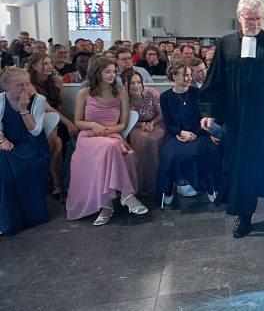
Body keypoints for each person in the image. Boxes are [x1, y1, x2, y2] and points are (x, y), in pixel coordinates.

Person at [199, 0, 264, 239]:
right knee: (241, 168)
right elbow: (215, 80)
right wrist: (208, 111)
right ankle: (244, 217)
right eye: (249, 19)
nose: (254, 23)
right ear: (239, 18)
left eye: (258, 19)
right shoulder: (226, 44)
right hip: (236, 120)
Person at [66, 56, 147, 225]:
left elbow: (122, 124)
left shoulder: (121, 93)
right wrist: (93, 125)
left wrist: (105, 131)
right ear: (97, 73)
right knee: (111, 147)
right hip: (88, 137)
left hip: (112, 134)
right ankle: (126, 195)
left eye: (114, 72)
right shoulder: (84, 93)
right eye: (107, 72)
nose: (112, 75)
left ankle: (107, 205)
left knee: (111, 145)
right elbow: (78, 122)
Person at [157, 61, 221, 205]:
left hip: (199, 133)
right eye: (185, 75)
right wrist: (182, 133)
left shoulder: (196, 93)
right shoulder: (165, 97)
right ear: (174, 76)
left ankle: (210, 188)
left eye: (190, 74)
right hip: (177, 135)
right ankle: (169, 189)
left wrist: (194, 134)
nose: (189, 78)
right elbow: (168, 123)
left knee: (207, 150)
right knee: (170, 155)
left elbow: (203, 117)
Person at [0, 68, 51, 236]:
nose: (24, 88)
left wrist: (23, 110)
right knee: (4, 156)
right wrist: (2, 141)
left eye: (26, 84)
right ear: (7, 86)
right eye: (19, 85)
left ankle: (18, 219)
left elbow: (35, 131)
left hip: (32, 145)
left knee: (6, 159)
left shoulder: (38, 100)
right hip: (8, 142)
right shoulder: (1, 100)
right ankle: (9, 217)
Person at [27, 53, 77, 200]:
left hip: (54, 120)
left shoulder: (54, 81)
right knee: (56, 141)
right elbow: (47, 108)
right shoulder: (29, 83)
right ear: (34, 66)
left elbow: (57, 106)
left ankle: (66, 179)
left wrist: (66, 123)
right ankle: (56, 183)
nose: (50, 66)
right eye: (45, 63)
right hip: (36, 121)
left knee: (68, 137)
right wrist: (68, 122)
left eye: (50, 63)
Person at [122, 70, 164, 195]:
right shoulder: (123, 97)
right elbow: (124, 118)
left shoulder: (152, 94)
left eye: (139, 82)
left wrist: (151, 123)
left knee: (154, 138)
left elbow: (162, 113)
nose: (136, 86)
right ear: (125, 85)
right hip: (134, 125)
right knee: (140, 138)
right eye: (132, 83)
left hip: (156, 123)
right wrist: (141, 125)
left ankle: (156, 182)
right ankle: (140, 183)